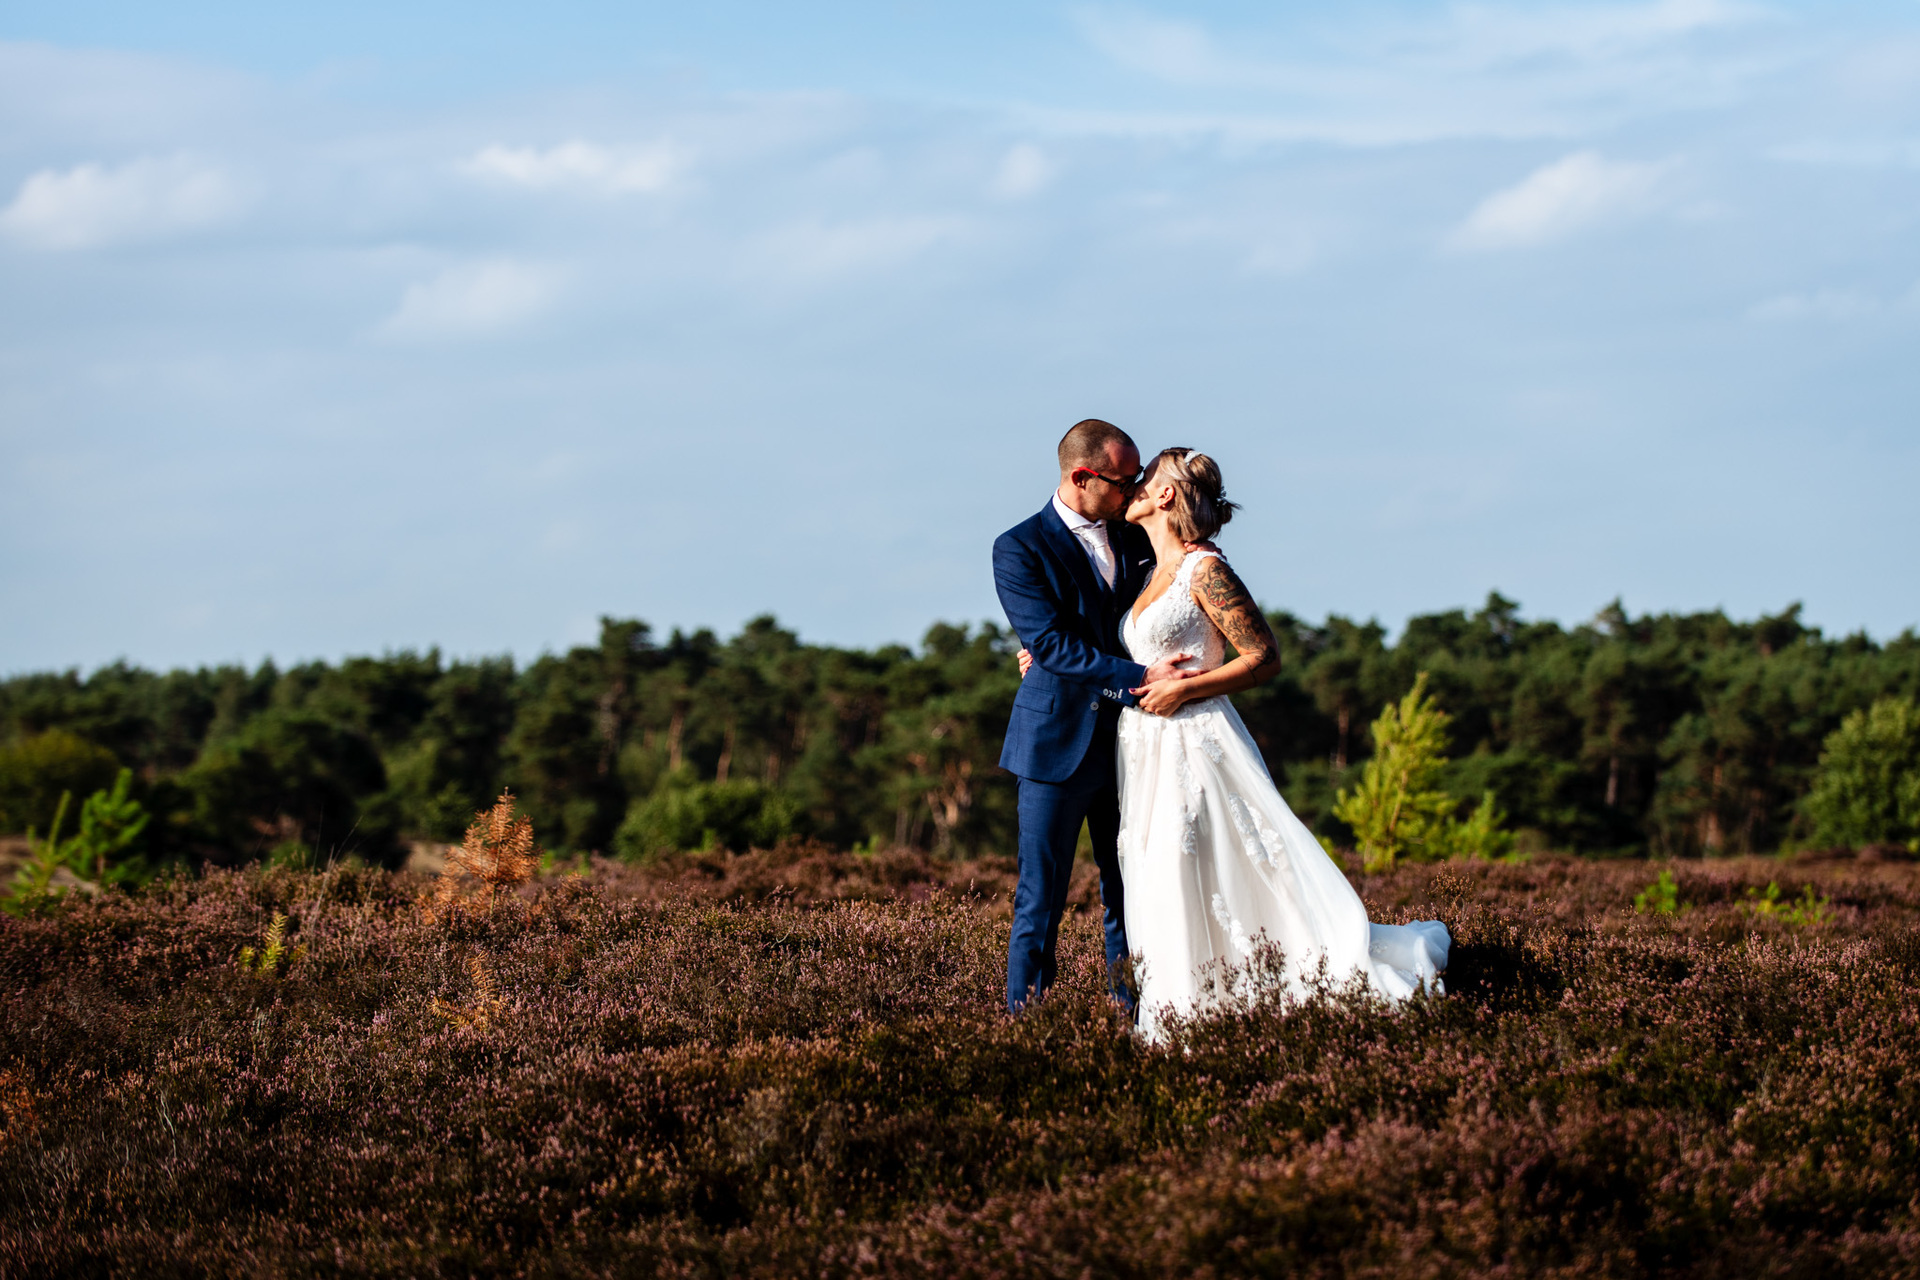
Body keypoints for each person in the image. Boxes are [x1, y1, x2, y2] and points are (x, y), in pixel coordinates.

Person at [1019, 447, 1449, 1040]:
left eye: (1142, 481)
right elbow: (1094, 640)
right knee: (1153, 875)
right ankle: (1172, 1008)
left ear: (1165, 495)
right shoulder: (1148, 567)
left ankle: (1201, 1014)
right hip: (1142, 747)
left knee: (1193, 863)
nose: (1132, 489)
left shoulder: (1205, 569)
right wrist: (1044, 657)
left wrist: (1185, 690)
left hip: (1194, 742)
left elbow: (1264, 656)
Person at [991, 420, 1198, 1014]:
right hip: (1055, 744)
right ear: (1083, 478)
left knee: (1129, 889)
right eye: (1123, 480)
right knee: (1041, 896)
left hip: (1134, 741)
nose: (1135, 491)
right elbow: (1052, 645)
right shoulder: (1019, 547)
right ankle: (1027, 1022)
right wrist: (1139, 677)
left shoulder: (1137, 538)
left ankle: (1135, 1015)